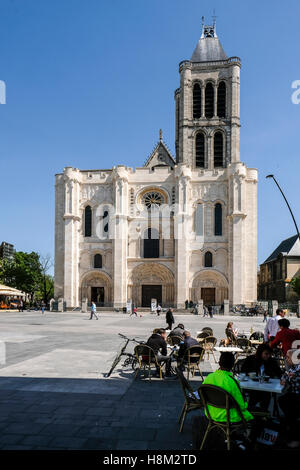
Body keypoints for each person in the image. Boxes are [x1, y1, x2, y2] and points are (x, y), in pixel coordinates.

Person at [192, 352, 255, 449]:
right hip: (230, 417)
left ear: (219, 363)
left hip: (211, 414)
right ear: (233, 365)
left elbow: (202, 397)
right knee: (256, 415)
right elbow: (241, 406)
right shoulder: (232, 382)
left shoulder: (209, 377)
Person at [241, 344, 282, 410]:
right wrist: (250, 374)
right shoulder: (251, 359)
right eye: (266, 354)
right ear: (260, 353)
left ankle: (261, 413)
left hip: (266, 387)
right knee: (257, 395)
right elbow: (243, 370)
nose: (268, 356)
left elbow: (279, 373)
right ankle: (256, 412)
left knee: (264, 395)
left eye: (269, 354)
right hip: (252, 386)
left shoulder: (271, 361)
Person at [278, 349, 300, 448]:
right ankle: (289, 425)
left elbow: (289, 376)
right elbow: (285, 376)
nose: (286, 359)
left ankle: (295, 438)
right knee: (283, 400)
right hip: (294, 395)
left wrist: (285, 378)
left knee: (290, 410)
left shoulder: (297, 368)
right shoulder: (294, 367)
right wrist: (284, 378)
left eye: (288, 357)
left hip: (297, 396)